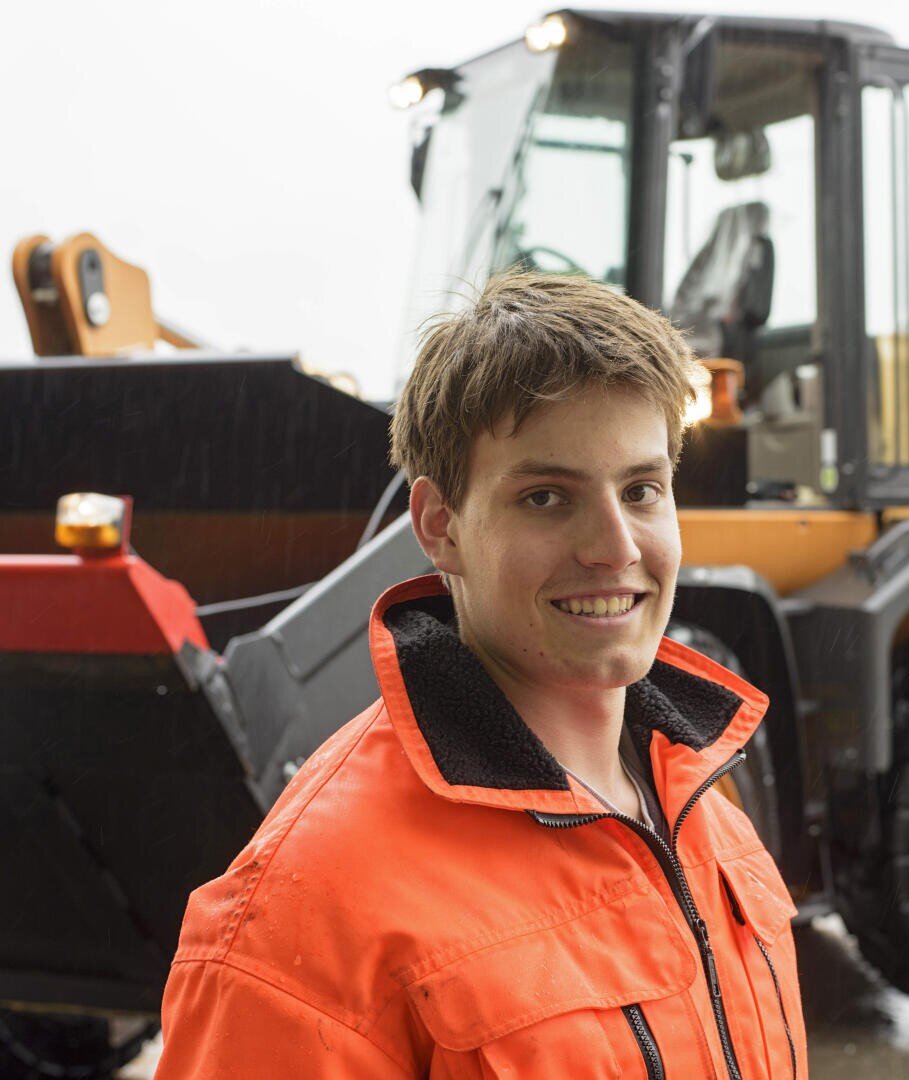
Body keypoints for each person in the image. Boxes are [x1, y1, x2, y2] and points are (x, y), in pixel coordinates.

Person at [154, 273, 806, 1077]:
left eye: (642, 490)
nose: (615, 546)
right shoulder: (308, 908)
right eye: (545, 498)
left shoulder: (706, 807)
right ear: (440, 526)